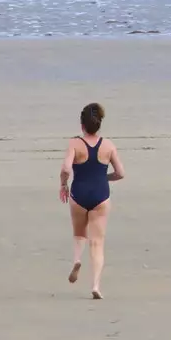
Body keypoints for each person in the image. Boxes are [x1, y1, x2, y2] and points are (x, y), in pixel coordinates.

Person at [58, 102, 126, 299]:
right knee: (97, 243)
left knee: (79, 233)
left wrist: (63, 185)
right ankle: (95, 286)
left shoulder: (74, 144)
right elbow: (121, 173)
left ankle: (77, 259)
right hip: (100, 196)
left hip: (79, 194)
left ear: (82, 125)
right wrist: (103, 178)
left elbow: (65, 169)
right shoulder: (108, 145)